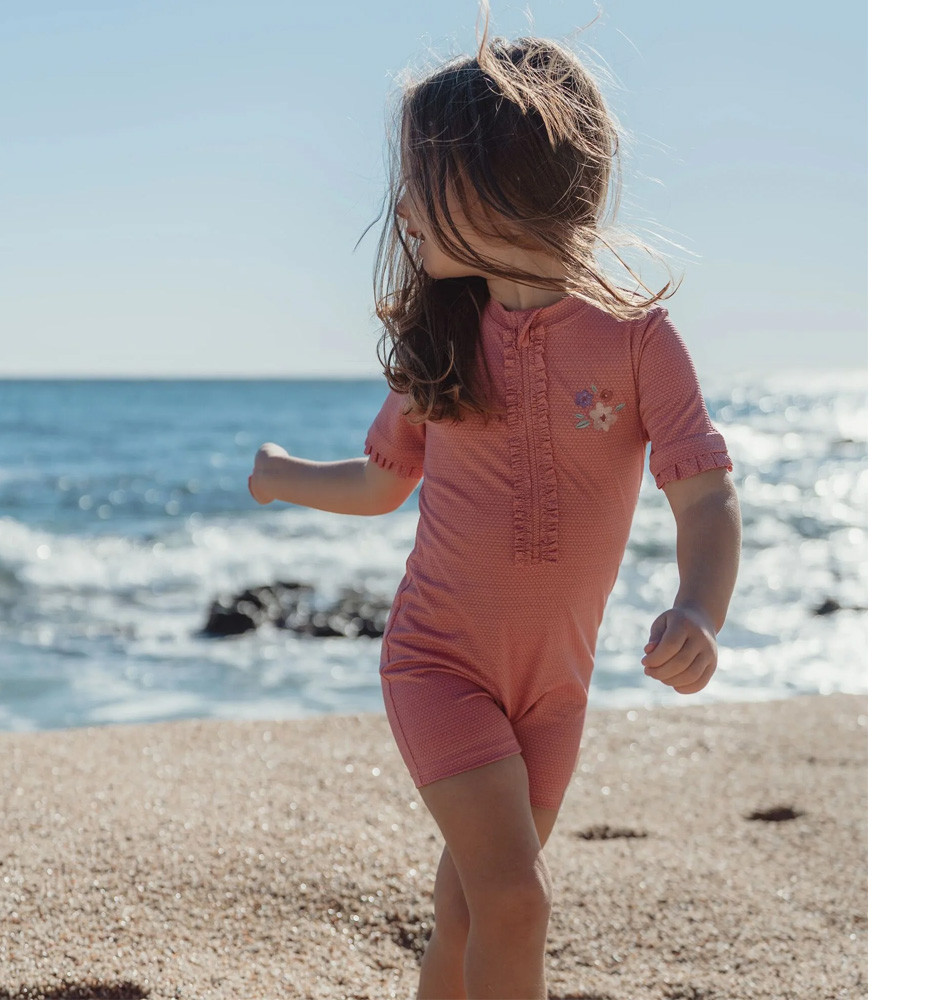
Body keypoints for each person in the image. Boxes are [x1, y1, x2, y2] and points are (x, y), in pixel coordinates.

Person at [247, 24, 741, 1000]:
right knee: (517, 901)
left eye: (420, 183)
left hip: (553, 693)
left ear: (491, 191)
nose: (401, 210)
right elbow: (383, 482)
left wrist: (699, 609)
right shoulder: (449, 339)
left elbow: (706, 492)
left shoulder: (639, 344)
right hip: (439, 663)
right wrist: (283, 473)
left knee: (475, 910)